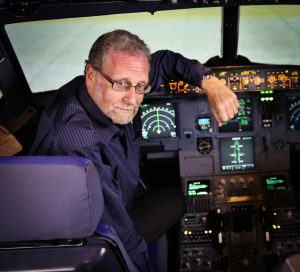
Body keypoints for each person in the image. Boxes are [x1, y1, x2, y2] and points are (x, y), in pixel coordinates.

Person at [30, 29, 239, 271]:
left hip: (119, 189)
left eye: (140, 86)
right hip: (91, 233)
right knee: (177, 199)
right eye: (122, 84)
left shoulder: (103, 89)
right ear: (90, 74)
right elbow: (118, 237)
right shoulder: (79, 145)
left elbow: (164, 61)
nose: (133, 99)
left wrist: (209, 82)